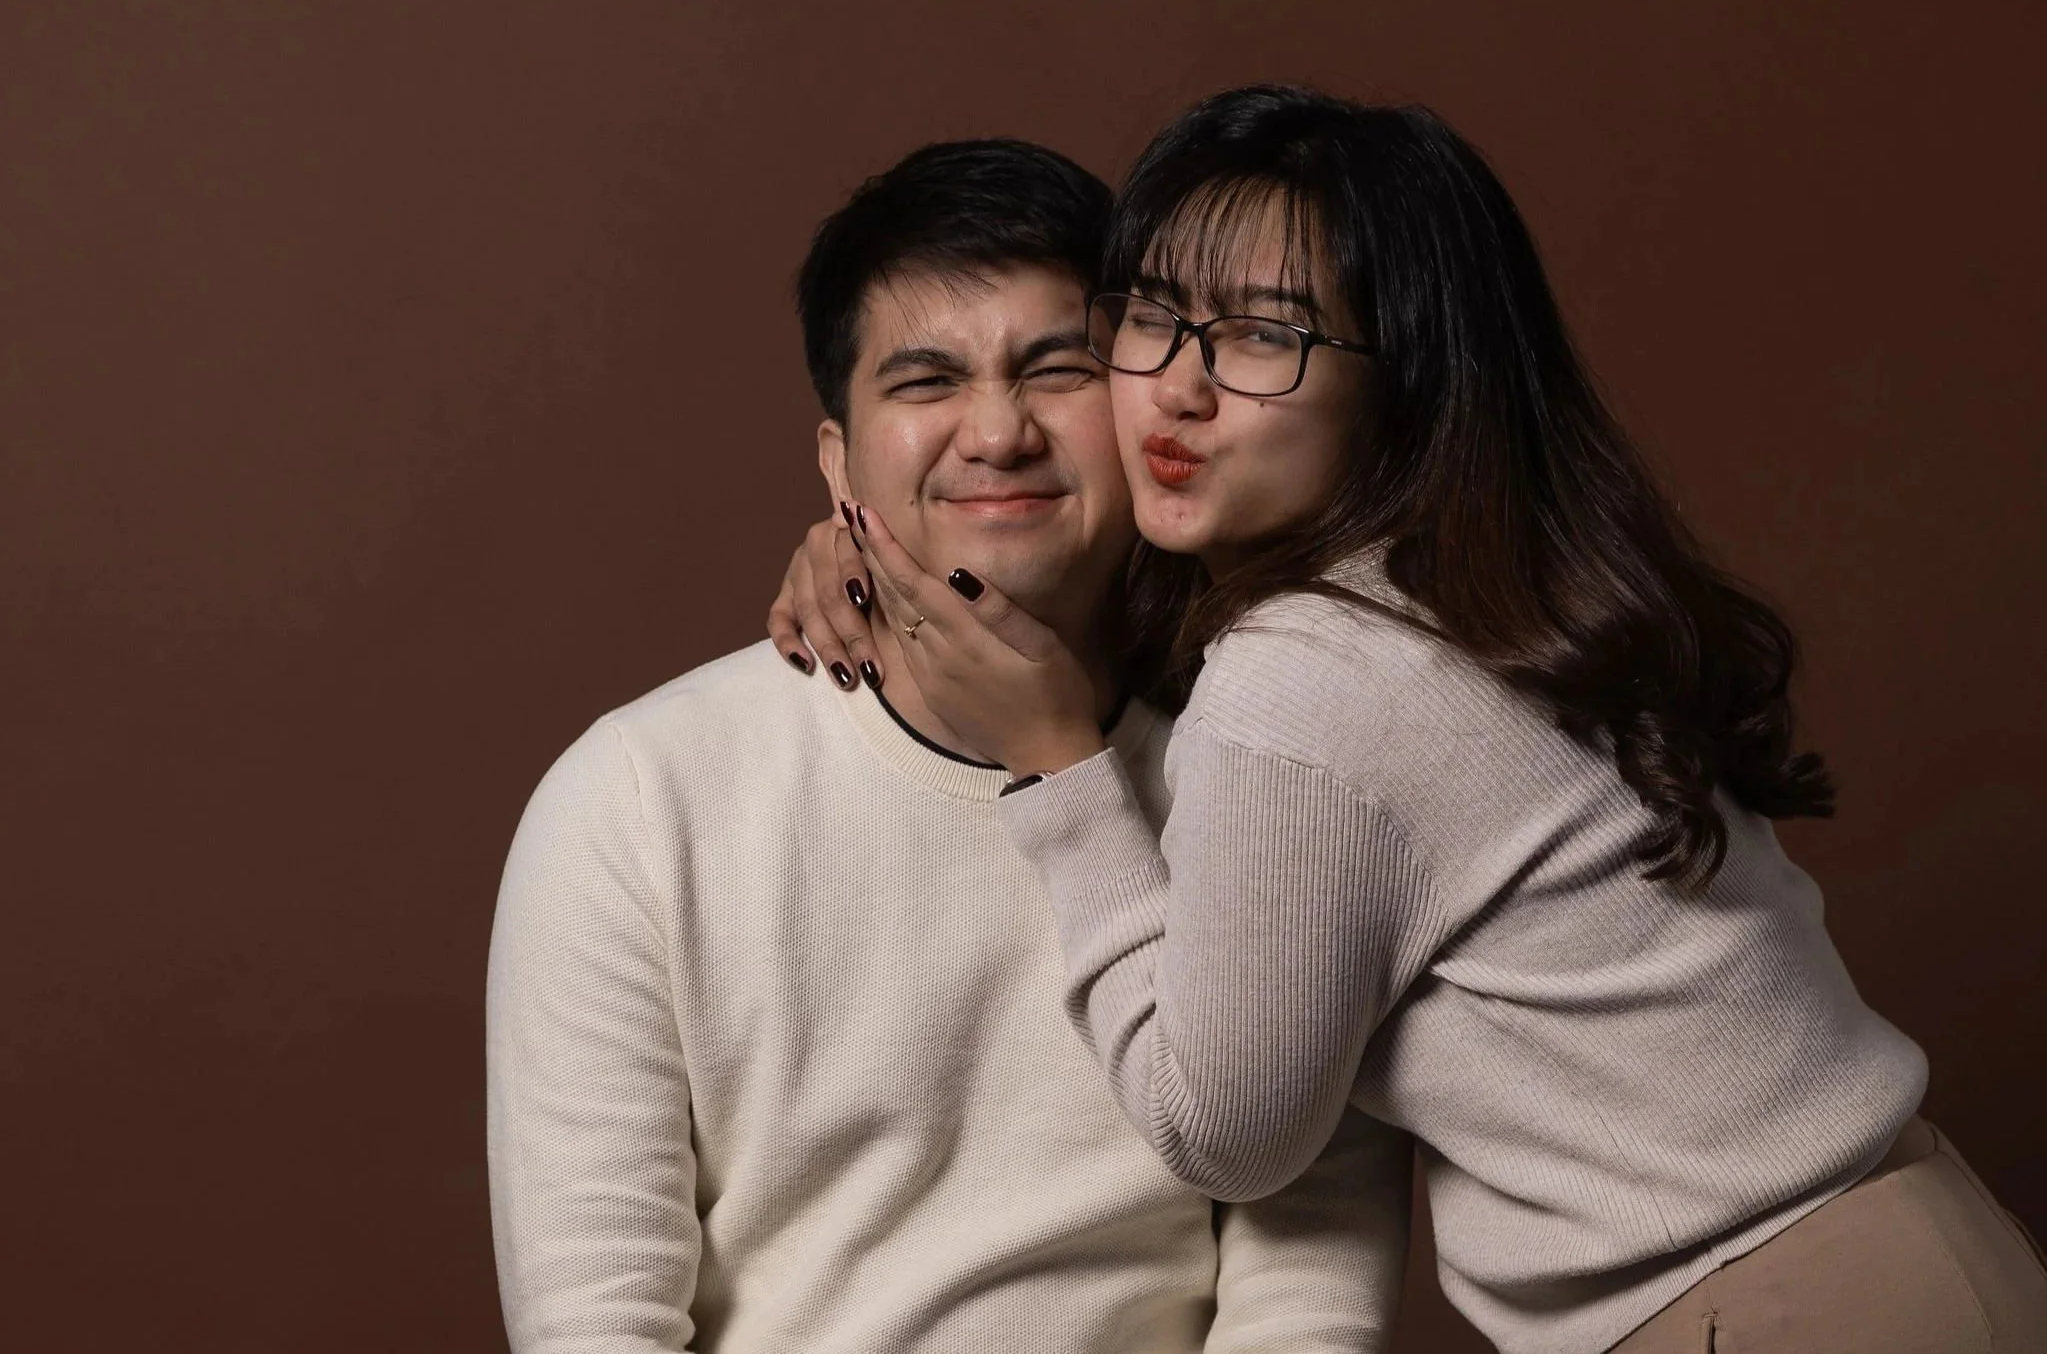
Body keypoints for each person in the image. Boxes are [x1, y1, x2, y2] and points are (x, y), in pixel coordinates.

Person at [768, 86, 2047, 1353]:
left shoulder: (1309, 671)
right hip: (1911, 1243)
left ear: (1404, 381)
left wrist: (1055, 765)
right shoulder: (1459, 588)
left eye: (1264, 336)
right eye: (1151, 316)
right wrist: (872, 567)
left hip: (1775, 1307)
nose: (1177, 388)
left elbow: (1224, 1134)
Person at [486, 137, 1411, 1354]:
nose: (998, 431)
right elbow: (594, 1317)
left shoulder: (1281, 777)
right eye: (925, 382)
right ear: (838, 462)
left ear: (1143, 400)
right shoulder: (636, 802)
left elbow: (1309, 1278)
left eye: (1057, 368)